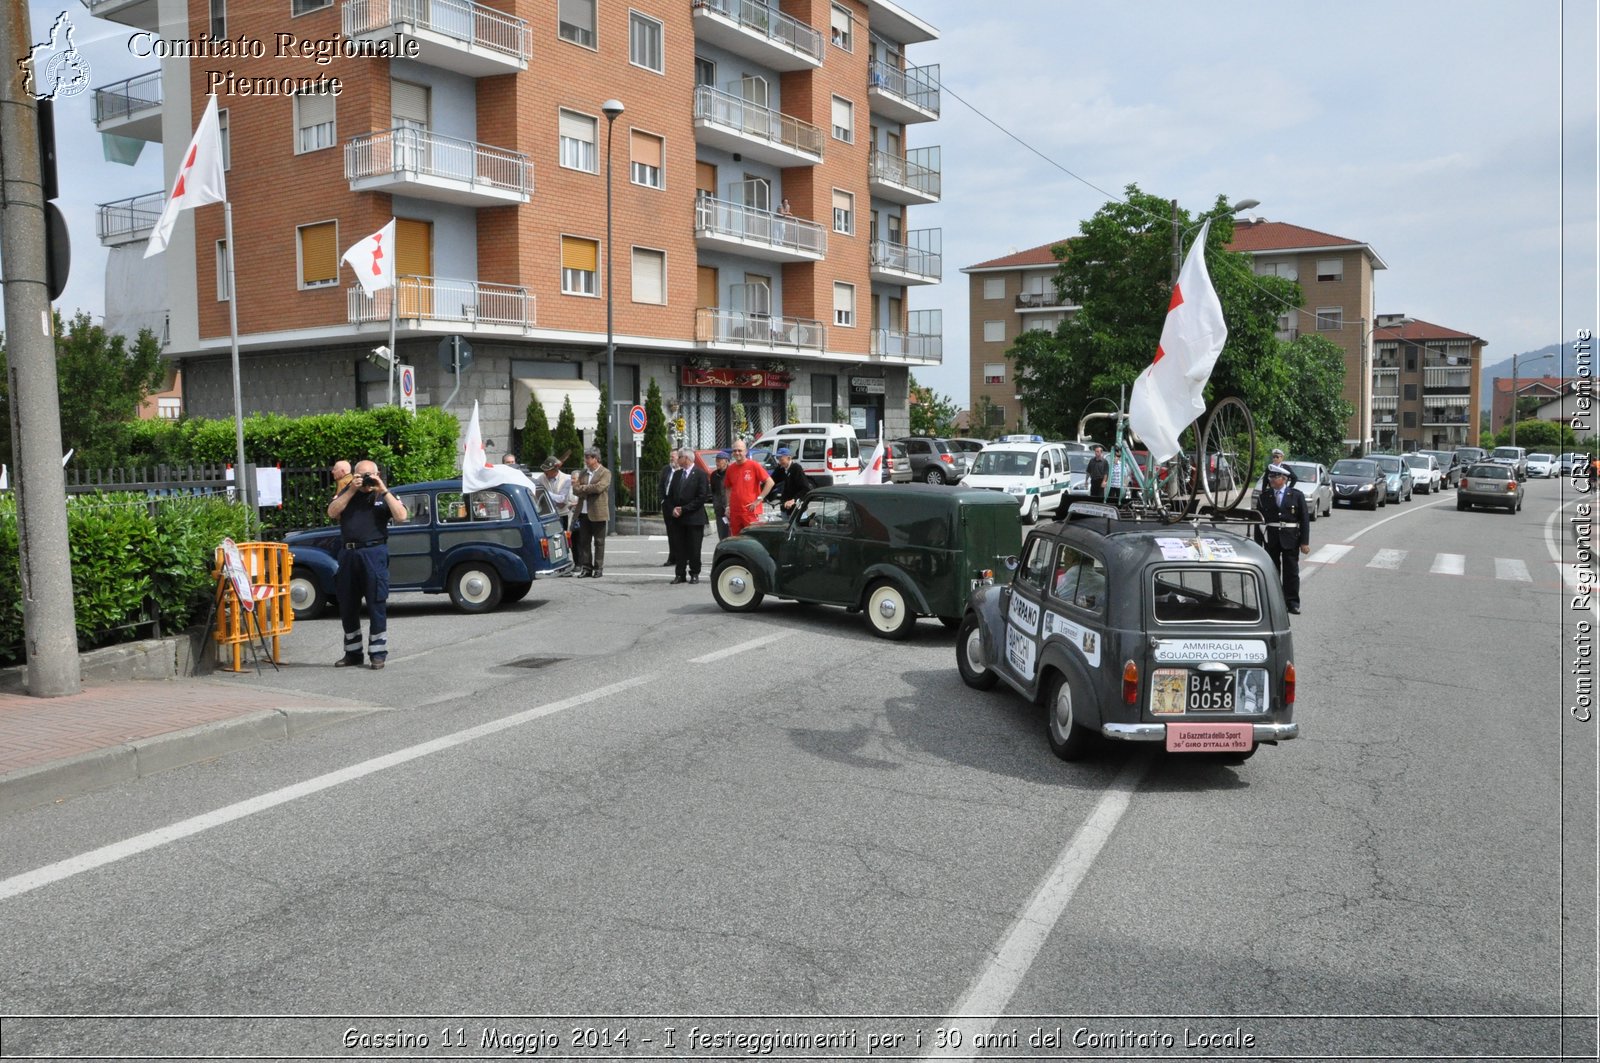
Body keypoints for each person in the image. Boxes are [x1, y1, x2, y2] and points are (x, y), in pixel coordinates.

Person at [327, 459, 408, 669]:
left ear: (377, 473)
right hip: (349, 553)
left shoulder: (383, 494)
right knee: (347, 605)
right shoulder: (347, 491)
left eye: (369, 475)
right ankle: (352, 653)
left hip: (374, 553)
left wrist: (383, 489)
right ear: (354, 475)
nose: (365, 479)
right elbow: (332, 512)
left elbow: (402, 516)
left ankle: (377, 653)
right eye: (360, 475)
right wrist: (352, 491)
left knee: (376, 604)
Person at [1257, 463, 1310, 615]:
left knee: (1291, 572)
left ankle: (1292, 603)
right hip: (1271, 538)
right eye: (1270, 476)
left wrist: (1304, 542)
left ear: (1284, 479)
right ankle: (1274, 603)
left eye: (1275, 476)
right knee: (1272, 572)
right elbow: (1259, 521)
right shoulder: (1264, 496)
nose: (1271, 479)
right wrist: (1258, 544)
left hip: (1291, 538)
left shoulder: (1296, 495)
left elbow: (1304, 520)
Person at [662, 448, 711, 584]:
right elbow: (669, 495)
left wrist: (684, 509)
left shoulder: (700, 474)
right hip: (678, 518)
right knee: (679, 547)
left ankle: (694, 573)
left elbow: (701, 497)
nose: (677, 460)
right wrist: (672, 509)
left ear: (687, 458)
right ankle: (680, 574)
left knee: (694, 547)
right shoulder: (677, 475)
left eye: (679, 457)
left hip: (694, 518)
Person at [571, 447, 611, 578]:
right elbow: (575, 489)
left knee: (599, 542)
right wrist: (586, 488)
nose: (586, 460)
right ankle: (586, 568)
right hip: (583, 512)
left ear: (595, 459)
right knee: (584, 542)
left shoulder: (605, 472)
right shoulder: (583, 473)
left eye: (588, 458)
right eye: (586, 458)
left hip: (598, 512)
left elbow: (600, 487)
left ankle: (598, 568)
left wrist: (584, 488)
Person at [723, 441, 772, 536]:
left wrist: (759, 499)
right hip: (735, 511)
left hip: (750, 511)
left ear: (745, 451)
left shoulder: (754, 465)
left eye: (739, 450)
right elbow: (728, 488)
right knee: (737, 540)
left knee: (751, 539)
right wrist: (728, 505)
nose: (737, 453)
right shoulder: (730, 468)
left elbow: (770, 482)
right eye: (734, 450)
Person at [538, 456, 574, 533]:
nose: (544, 472)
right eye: (544, 470)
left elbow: (562, 500)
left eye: (547, 470)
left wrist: (545, 492)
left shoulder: (567, 479)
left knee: (563, 539)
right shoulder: (541, 478)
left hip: (562, 515)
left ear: (555, 469)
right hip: (547, 516)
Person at [774, 447, 812, 512]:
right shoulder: (780, 469)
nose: (779, 462)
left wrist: (794, 500)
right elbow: (771, 481)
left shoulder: (796, 468)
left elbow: (806, 488)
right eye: (778, 459)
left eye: (781, 459)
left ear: (789, 458)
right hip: (784, 507)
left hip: (797, 510)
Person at [710, 450, 732, 540]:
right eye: (716, 460)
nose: (717, 463)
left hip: (731, 509)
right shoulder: (714, 475)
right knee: (722, 536)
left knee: (732, 535)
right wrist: (716, 504)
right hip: (719, 510)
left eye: (719, 460)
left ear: (726, 461)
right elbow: (714, 491)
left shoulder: (731, 472)